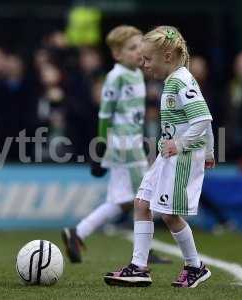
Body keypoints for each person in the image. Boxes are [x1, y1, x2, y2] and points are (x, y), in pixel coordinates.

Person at [104, 26, 214, 288]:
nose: (143, 64)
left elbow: (202, 118)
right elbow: (201, 120)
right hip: (167, 155)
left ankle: (195, 266)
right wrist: (208, 150)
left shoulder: (182, 80)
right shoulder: (172, 80)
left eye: (147, 59)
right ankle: (139, 267)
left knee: (169, 215)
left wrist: (183, 144)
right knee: (141, 202)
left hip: (182, 157)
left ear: (166, 56)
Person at [62, 25, 148, 263]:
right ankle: (144, 255)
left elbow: (131, 115)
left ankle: (78, 232)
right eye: (132, 48)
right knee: (145, 199)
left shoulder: (137, 74)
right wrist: (100, 148)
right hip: (124, 146)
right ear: (117, 54)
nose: (138, 51)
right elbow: (105, 115)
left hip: (133, 142)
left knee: (122, 202)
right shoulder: (116, 77)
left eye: (140, 45)